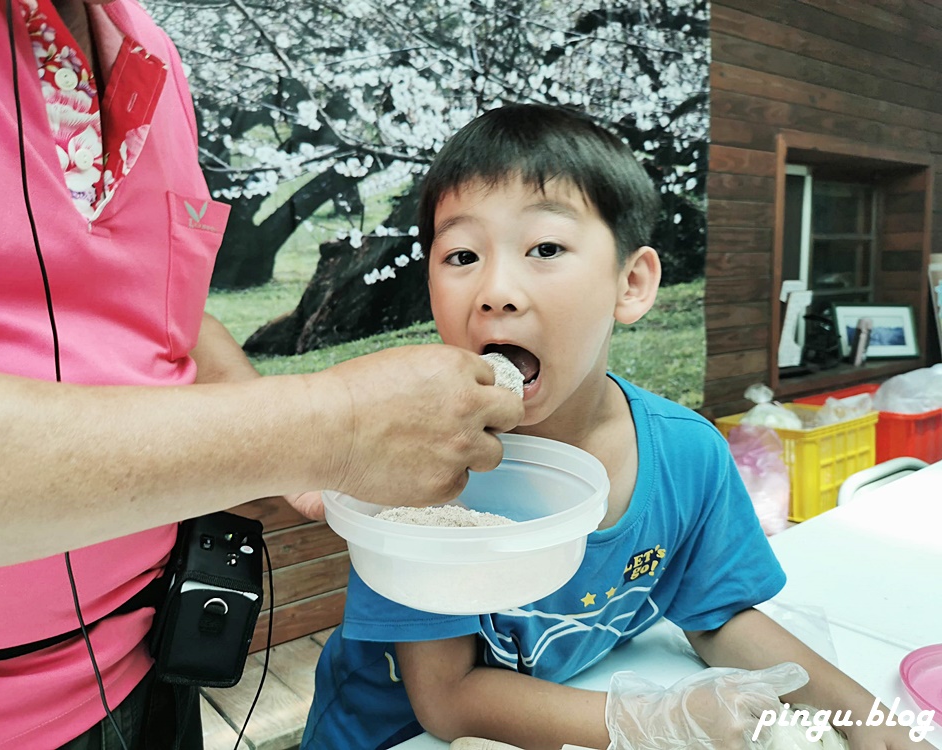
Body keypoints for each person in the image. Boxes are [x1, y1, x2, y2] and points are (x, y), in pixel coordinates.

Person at [0, 2, 522, 748]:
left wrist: (308, 454)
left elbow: (166, 317)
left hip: (152, 665)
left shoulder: (148, 50)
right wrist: (331, 424)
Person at [300, 104, 922, 750]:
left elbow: (719, 618)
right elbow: (448, 700)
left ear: (631, 283)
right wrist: (654, 720)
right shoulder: (420, 468)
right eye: (461, 254)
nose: (496, 290)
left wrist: (870, 721)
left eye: (544, 247)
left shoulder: (686, 456)